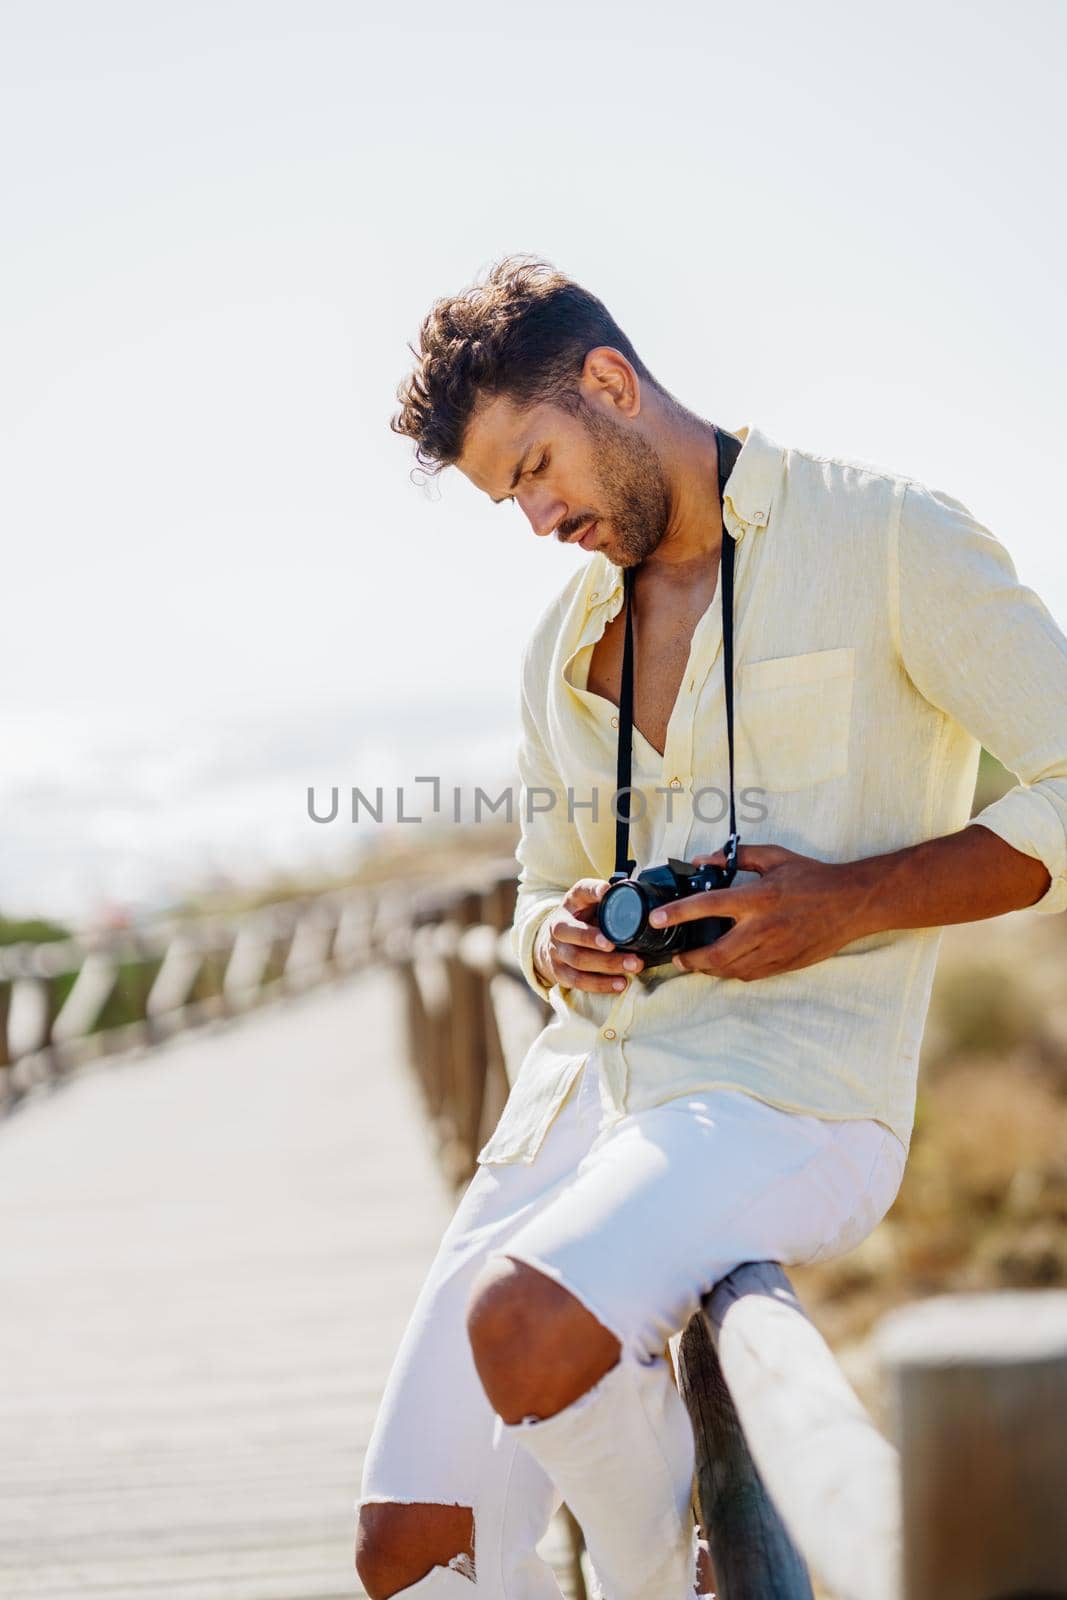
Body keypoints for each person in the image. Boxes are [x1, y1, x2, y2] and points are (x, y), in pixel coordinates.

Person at [354, 255, 1067, 1600]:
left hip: (787, 1095)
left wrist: (848, 900)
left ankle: (658, 1577)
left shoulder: (890, 539)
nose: (536, 515)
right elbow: (536, 884)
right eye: (508, 494)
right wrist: (552, 940)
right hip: (580, 1095)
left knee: (528, 1325)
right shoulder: (559, 645)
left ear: (611, 382)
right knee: (403, 1547)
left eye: (536, 466)